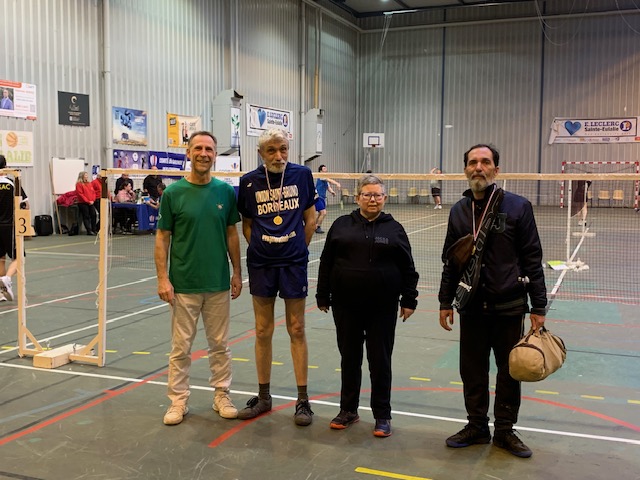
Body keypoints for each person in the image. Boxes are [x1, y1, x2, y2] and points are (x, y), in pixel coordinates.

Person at [438, 144, 547, 459]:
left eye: (485, 162)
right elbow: (451, 261)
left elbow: (532, 258)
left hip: (509, 306)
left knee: (509, 371)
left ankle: (504, 431)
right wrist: (445, 301)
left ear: (496, 170)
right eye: (473, 162)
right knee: (472, 370)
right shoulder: (459, 211)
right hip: (471, 306)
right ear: (465, 169)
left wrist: (539, 306)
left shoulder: (518, 207)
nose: (478, 168)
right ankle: (476, 426)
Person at [316, 175, 419, 437]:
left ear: (384, 198)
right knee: (349, 359)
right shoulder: (341, 225)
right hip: (345, 306)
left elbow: (408, 267)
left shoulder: (394, 229)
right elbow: (327, 261)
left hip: (382, 308)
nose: (372, 199)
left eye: (377, 195)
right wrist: (322, 294)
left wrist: (409, 299)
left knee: (380, 361)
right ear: (357, 197)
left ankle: (382, 415)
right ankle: (348, 410)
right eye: (367, 195)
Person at [155, 130, 242, 426]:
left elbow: (232, 234)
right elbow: (162, 238)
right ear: (189, 153)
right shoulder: (173, 194)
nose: (204, 154)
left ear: (215, 155)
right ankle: (178, 401)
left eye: (209, 149)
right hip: (184, 285)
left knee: (220, 345)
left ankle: (222, 395)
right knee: (181, 347)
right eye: (199, 148)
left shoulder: (225, 192)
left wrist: (237, 272)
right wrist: (163, 279)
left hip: (217, 283)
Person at [236, 128, 317, 426]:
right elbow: (247, 224)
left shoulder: (302, 175)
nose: (278, 155)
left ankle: (303, 401)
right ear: (261, 153)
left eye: (283, 149)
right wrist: (260, 247)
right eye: (271, 150)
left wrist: (297, 249)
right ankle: (264, 397)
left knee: (297, 328)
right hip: (262, 265)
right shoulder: (248, 182)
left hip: (293, 264)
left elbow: (311, 219)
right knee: (262, 330)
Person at [0, 155, 29, 302]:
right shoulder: (12, 183)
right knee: (19, 258)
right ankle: (7, 278)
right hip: (9, 225)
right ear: (5, 167)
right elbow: (25, 204)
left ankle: (1, 293)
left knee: (1, 259)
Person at [314, 164, 341, 234]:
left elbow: (328, 187)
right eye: (324, 169)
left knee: (320, 213)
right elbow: (330, 180)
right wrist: (337, 183)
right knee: (323, 212)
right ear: (320, 171)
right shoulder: (321, 176)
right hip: (318, 197)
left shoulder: (325, 179)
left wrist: (332, 192)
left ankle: (314, 226)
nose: (326, 170)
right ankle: (318, 226)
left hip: (322, 198)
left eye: (326, 169)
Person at [75, 171, 97, 235]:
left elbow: (93, 192)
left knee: (94, 215)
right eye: (85, 175)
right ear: (82, 176)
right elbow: (80, 194)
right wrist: (87, 201)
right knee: (86, 216)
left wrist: (93, 200)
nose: (87, 176)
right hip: (83, 203)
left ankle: (94, 229)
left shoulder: (89, 183)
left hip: (91, 202)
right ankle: (89, 230)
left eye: (87, 175)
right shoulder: (79, 184)